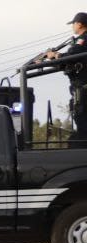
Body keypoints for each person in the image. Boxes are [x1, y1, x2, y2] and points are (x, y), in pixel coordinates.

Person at [42, 13, 87, 144]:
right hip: (80, 89)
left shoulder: (83, 39)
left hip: (83, 89)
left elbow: (73, 54)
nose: (72, 27)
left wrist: (55, 55)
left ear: (79, 24)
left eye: (73, 24)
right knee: (80, 119)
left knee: (82, 119)